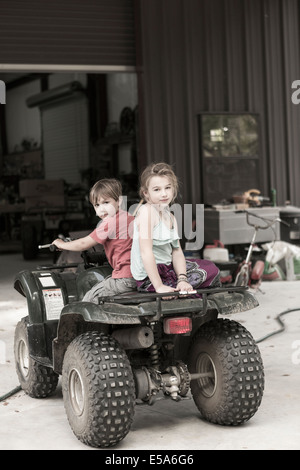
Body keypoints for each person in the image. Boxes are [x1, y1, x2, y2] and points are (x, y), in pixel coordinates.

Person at [130, 162, 221, 296]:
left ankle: (180, 286)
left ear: (174, 189)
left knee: (211, 268)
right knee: (203, 281)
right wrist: (159, 286)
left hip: (168, 269)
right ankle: (169, 288)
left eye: (168, 188)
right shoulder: (146, 212)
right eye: (157, 190)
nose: (164, 194)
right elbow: (146, 252)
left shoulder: (171, 217)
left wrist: (182, 278)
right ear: (146, 193)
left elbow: (177, 251)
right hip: (150, 276)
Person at [52, 178, 136, 303]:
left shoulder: (110, 222)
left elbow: (83, 243)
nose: (102, 209)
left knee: (87, 301)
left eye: (106, 202)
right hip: (138, 276)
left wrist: (62, 244)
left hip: (124, 278)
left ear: (119, 201)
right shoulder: (130, 217)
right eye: (97, 205)